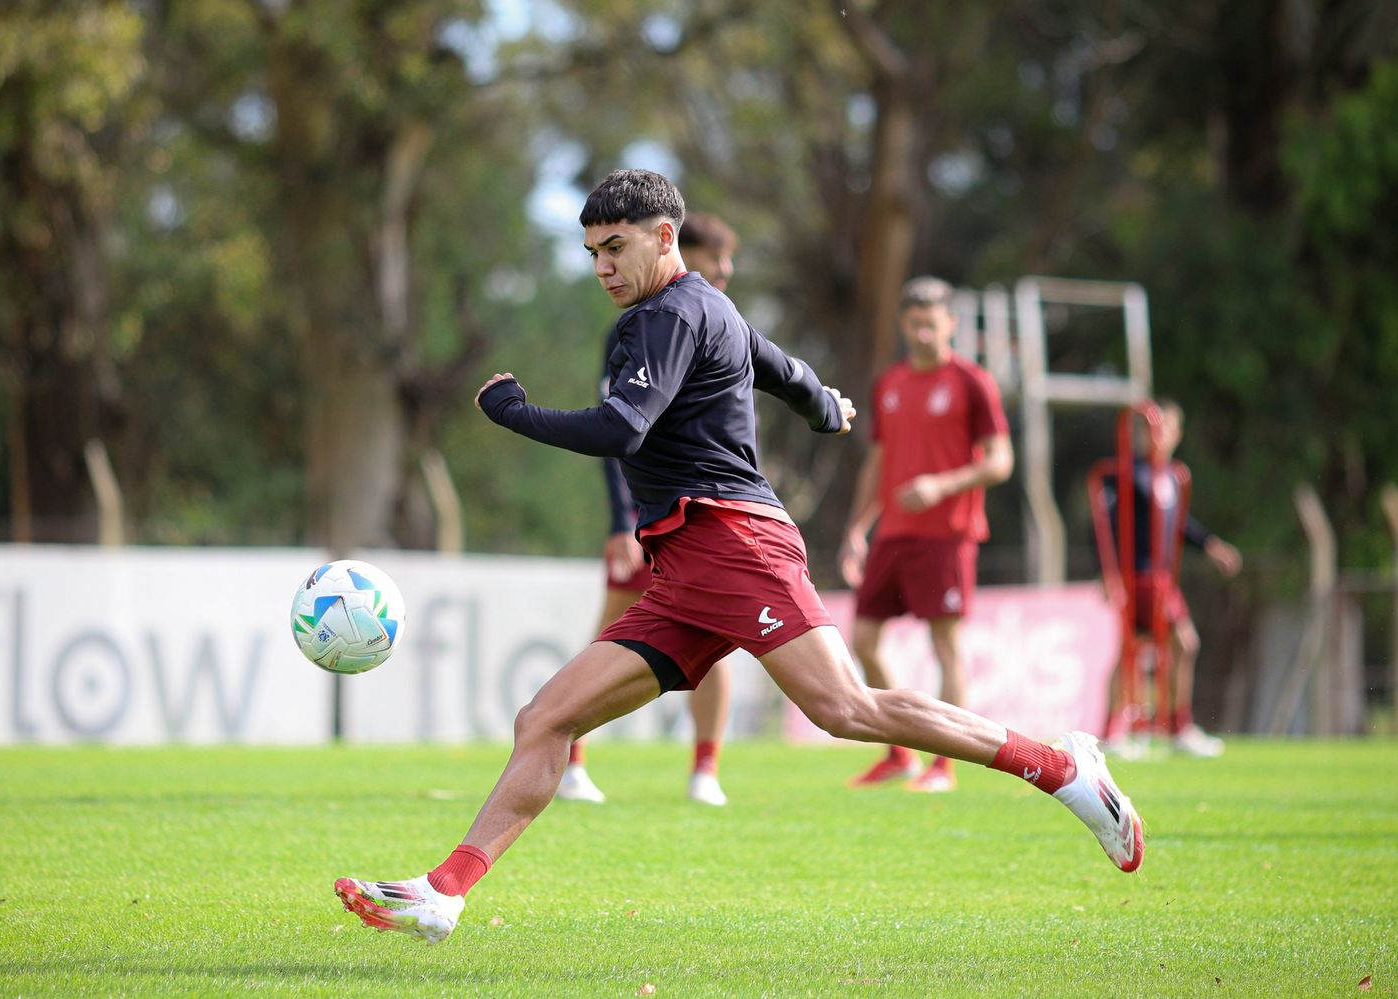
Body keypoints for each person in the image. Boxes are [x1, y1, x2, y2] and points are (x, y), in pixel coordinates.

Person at [334, 169, 1144, 945]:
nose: (603, 267)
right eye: (591, 252)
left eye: (616, 246)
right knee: (546, 718)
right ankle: (445, 892)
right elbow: (783, 369)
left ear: (664, 235)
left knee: (846, 709)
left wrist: (514, 411)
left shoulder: (665, 317)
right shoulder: (707, 306)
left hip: (733, 542)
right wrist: (826, 408)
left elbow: (623, 428)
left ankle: (1060, 767)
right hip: (685, 566)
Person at [558, 212, 741, 808]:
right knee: (608, 634)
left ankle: (705, 771)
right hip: (649, 518)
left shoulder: (722, 324)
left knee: (716, 642)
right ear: (681, 252)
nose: (726, 271)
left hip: (708, 522)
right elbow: (616, 432)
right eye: (717, 260)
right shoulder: (636, 328)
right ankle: (571, 760)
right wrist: (620, 522)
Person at [838, 277, 1013, 792]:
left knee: (946, 646)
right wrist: (856, 527)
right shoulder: (889, 384)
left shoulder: (972, 382)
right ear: (903, 325)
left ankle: (945, 764)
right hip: (893, 533)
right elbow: (878, 459)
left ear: (951, 324)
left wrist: (943, 484)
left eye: (931, 324)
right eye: (913, 324)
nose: (922, 333)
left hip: (947, 533)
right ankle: (903, 751)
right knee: (863, 642)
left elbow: (1001, 461)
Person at [1101, 399, 1242, 758]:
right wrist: (1110, 572)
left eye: (1165, 428)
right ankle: (1118, 730)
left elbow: (1178, 524)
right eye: (1151, 428)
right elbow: (1107, 525)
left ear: (1176, 434)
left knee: (1178, 645)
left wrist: (1211, 545)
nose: (1157, 435)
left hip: (1163, 580)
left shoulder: (1172, 477)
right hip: (1138, 576)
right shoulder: (1129, 475)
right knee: (1138, 649)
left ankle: (1173, 727)